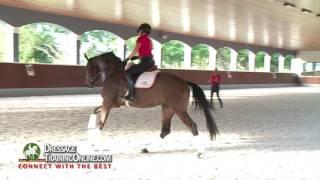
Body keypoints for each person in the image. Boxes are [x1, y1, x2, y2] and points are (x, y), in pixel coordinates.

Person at [125, 23, 155, 101]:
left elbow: (135, 50)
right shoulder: (149, 40)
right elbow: (148, 51)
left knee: (128, 73)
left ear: (141, 31)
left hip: (145, 62)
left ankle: (131, 95)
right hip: (150, 61)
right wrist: (137, 57)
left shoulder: (140, 38)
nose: (138, 33)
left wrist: (128, 58)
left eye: (139, 32)